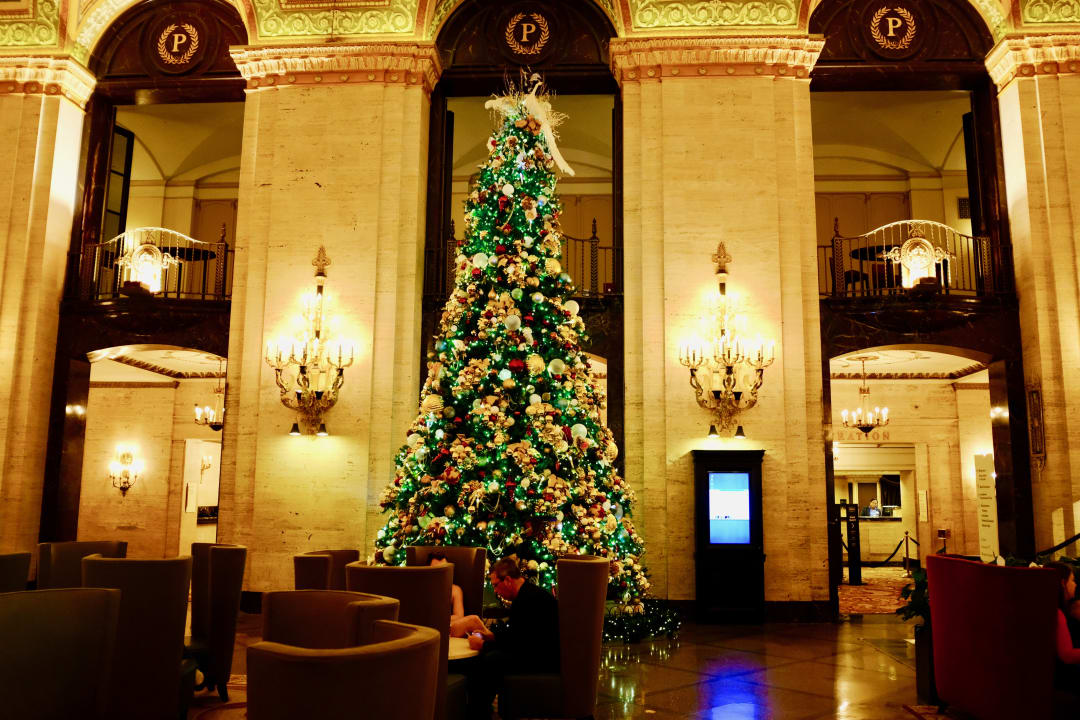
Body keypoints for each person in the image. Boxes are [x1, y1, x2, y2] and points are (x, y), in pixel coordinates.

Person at [465, 557, 560, 720]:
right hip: (538, 651)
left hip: (542, 659)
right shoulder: (527, 593)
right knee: (488, 659)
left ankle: (477, 714)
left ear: (508, 580)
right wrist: (492, 636)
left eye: (495, 585)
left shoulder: (528, 599)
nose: (495, 591)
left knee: (487, 662)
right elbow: (520, 634)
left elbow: (520, 645)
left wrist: (482, 645)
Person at [427, 551, 490, 638]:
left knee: (474, 620)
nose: (442, 572)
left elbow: (459, 616)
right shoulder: (424, 589)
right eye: (437, 569)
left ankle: (491, 641)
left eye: (445, 568)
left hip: (448, 627)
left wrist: (440, 620)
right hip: (427, 628)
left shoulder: (455, 590)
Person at [1046, 562, 1080, 689]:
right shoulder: (1057, 612)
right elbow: (1067, 655)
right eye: (1073, 580)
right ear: (1062, 583)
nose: (1075, 584)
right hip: (1064, 679)